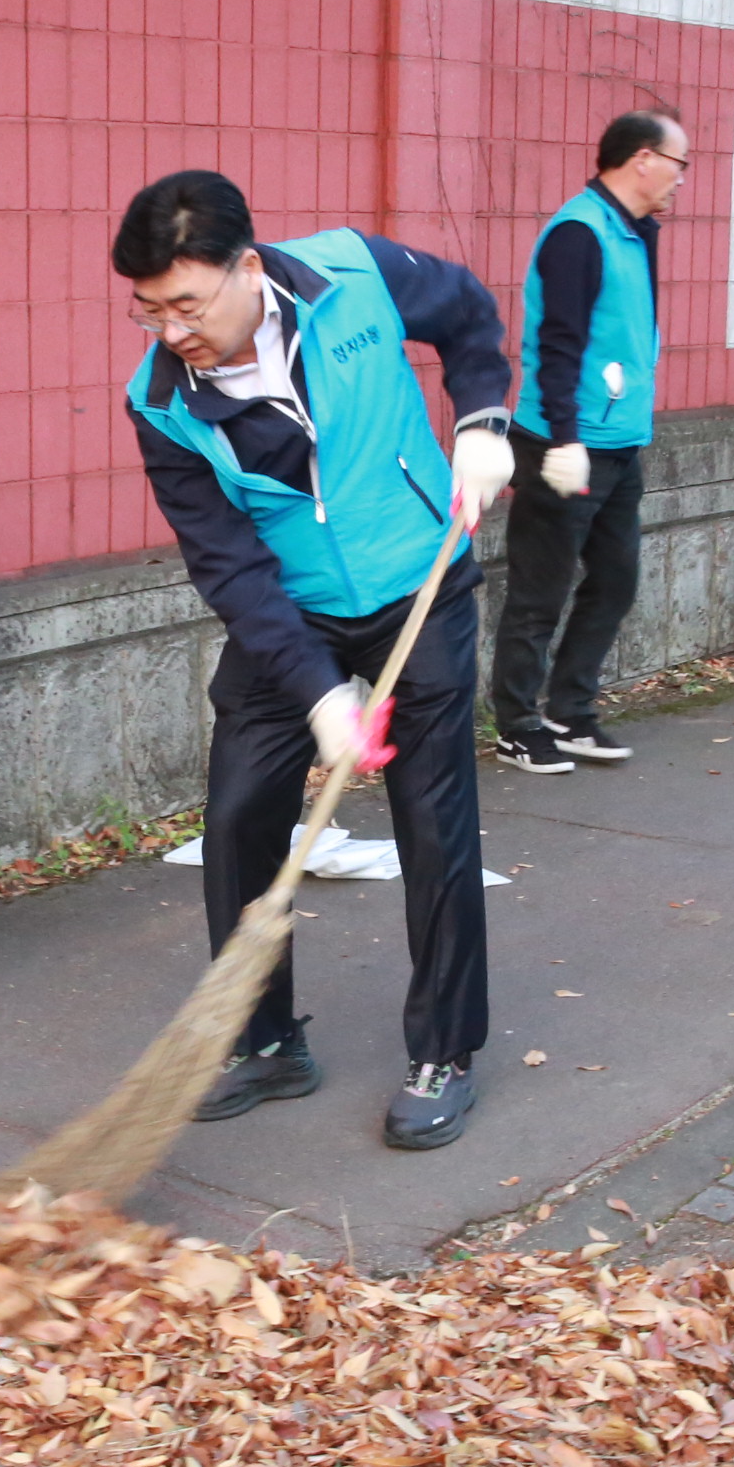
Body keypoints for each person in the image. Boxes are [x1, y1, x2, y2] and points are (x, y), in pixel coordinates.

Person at [112, 169, 515, 1154]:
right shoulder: (162, 401)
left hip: (416, 570)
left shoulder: (355, 277)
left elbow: (467, 314)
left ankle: (445, 1050)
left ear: (248, 270)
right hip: (288, 606)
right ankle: (263, 1040)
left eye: (187, 304)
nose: (172, 331)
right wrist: (318, 694)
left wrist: (482, 422)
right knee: (242, 809)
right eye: (148, 311)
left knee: (433, 816)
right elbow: (230, 566)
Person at [491, 111, 685, 772]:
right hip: (563, 443)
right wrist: (566, 439)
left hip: (620, 442)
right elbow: (557, 342)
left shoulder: (638, 232)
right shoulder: (579, 231)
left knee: (616, 579)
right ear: (642, 160)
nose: (681, 180)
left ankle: (570, 712)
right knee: (538, 592)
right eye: (677, 164)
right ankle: (516, 725)